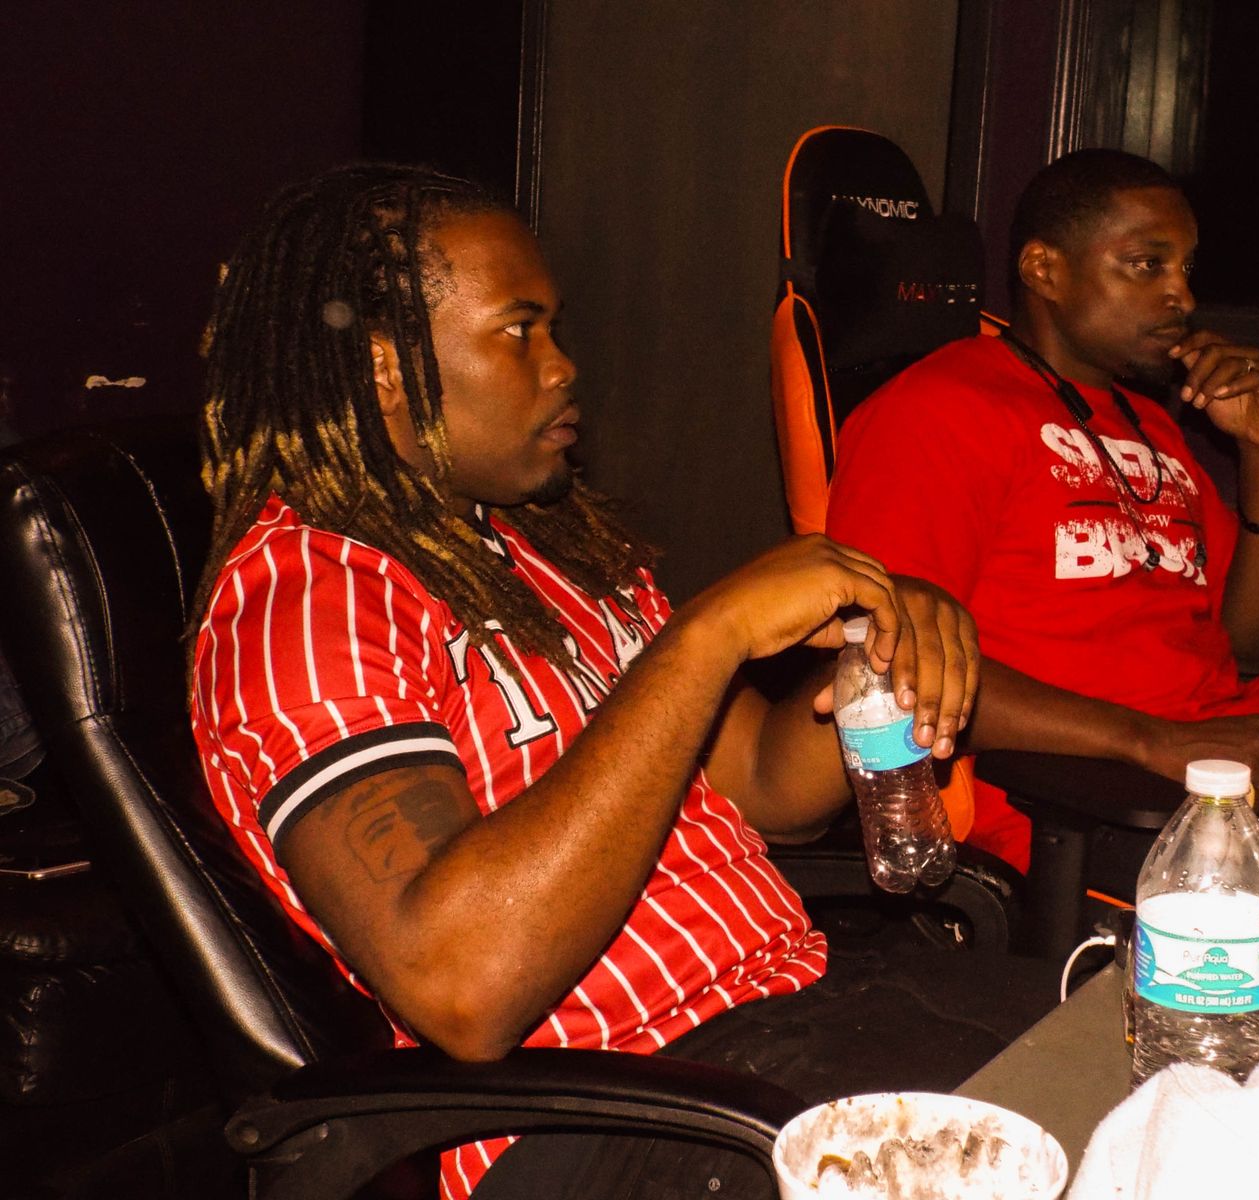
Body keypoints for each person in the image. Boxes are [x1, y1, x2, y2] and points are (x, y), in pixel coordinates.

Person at [187, 163, 1060, 1199]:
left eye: (553, 329)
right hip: (603, 1118)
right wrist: (705, 638)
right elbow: (462, 987)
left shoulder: (550, 546)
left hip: (791, 1016)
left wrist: (884, 659)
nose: (562, 367)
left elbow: (764, 787)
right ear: (383, 366)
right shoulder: (305, 597)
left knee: (1135, 1061)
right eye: (518, 332)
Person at [826, 149, 1259, 873]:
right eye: (1147, 265)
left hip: (1229, 765)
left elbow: (1254, 651)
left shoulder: (1150, 423)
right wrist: (1149, 740)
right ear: (1044, 270)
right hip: (1083, 803)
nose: (1182, 295)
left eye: (1186, 268)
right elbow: (893, 670)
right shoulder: (936, 410)